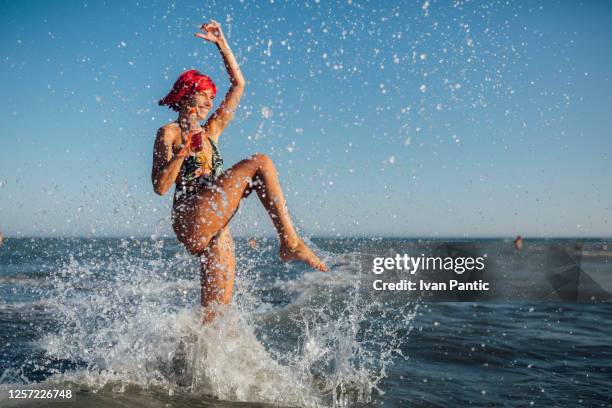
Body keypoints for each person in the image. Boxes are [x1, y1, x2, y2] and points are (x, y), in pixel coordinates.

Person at [151, 21, 327, 323]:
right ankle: (290, 242)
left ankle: (196, 365)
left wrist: (222, 45)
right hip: (190, 215)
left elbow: (239, 85)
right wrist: (183, 151)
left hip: (215, 227)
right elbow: (160, 186)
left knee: (215, 317)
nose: (209, 102)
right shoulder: (168, 133)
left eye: (211, 97)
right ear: (186, 95)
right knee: (260, 162)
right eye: (203, 95)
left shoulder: (212, 130)